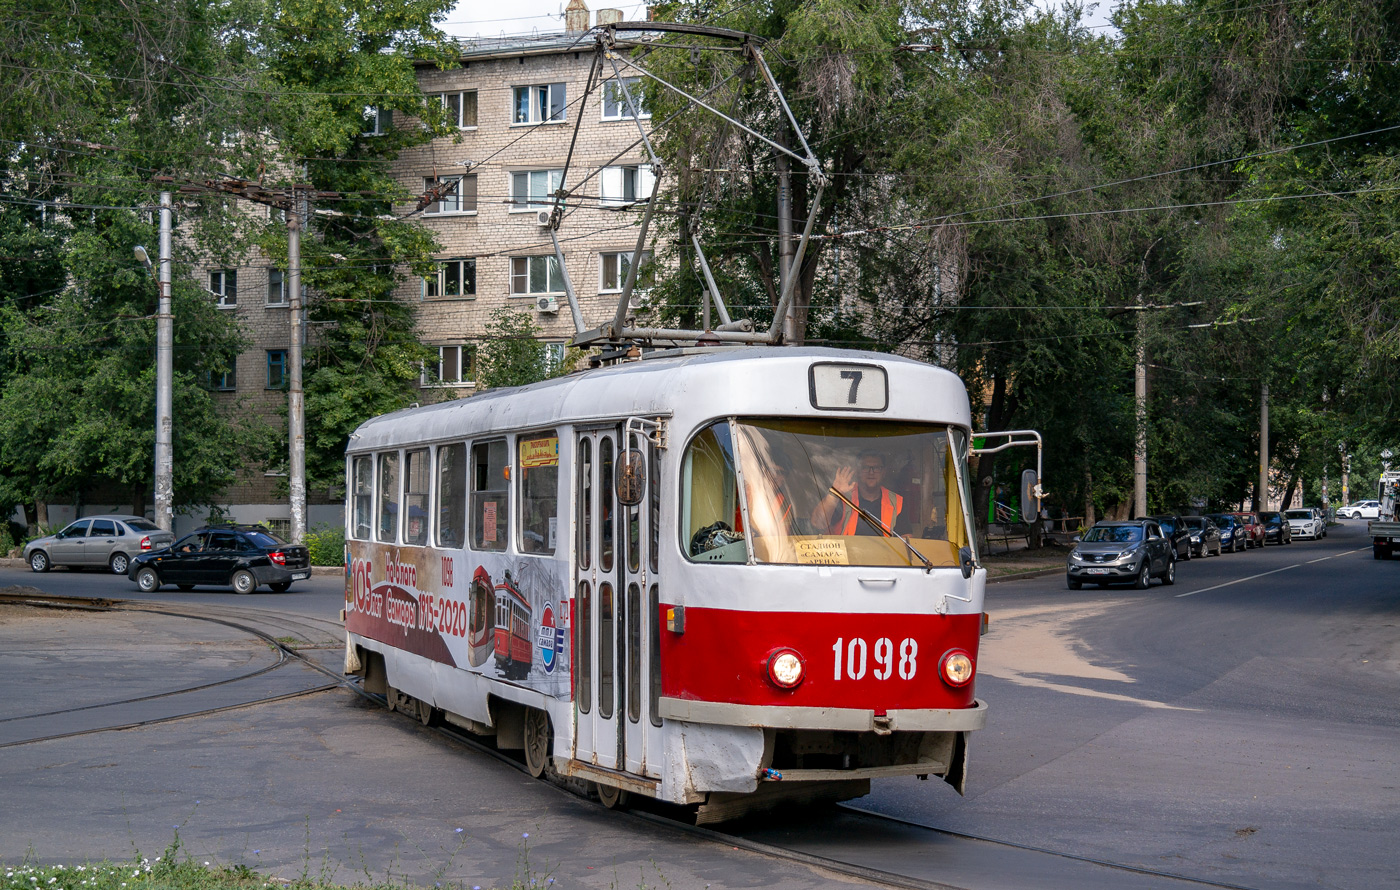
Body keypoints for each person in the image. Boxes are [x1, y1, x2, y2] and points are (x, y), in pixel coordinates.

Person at [811, 450, 911, 536]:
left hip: (883, 558)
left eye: (876, 468)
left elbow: (907, 540)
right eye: (865, 467)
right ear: (858, 471)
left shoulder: (896, 501)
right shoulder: (843, 496)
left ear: (883, 472)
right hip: (845, 557)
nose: (871, 472)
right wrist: (834, 493)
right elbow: (818, 523)